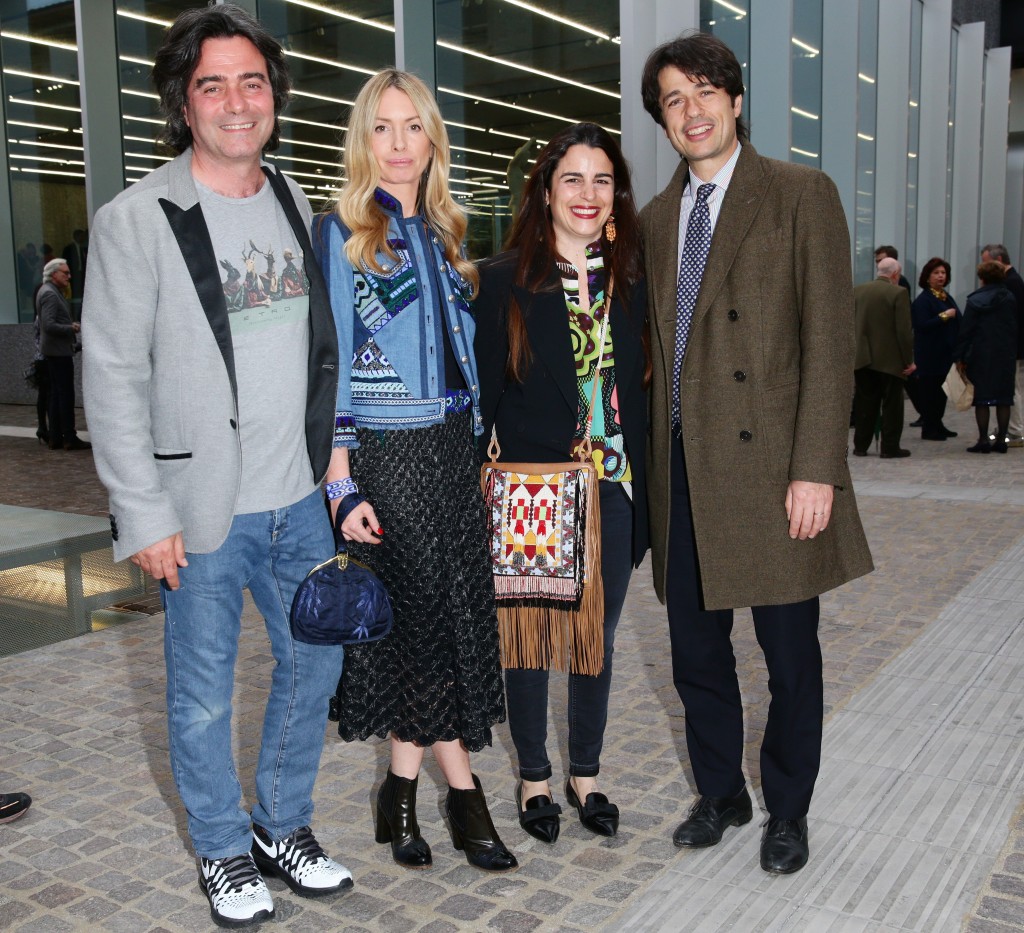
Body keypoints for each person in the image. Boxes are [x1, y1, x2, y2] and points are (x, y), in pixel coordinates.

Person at [82, 5, 352, 926]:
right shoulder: (137, 218)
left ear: (273, 94)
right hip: (198, 509)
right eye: (213, 84)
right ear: (182, 102)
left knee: (313, 668)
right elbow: (112, 376)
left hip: (297, 501)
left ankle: (281, 823)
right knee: (201, 694)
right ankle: (223, 850)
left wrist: (332, 467)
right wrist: (141, 512)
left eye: (252, 81)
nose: (237, 101)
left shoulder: (291, 199)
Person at [638, 31, 873, 875]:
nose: (692, 110)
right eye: (673, 98)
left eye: (706, 92)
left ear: (736, 102)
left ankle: (788, 808)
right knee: (696, 655)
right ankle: (721, 791)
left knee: (789, 655)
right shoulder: (657, 218)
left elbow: (829, 341)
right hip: (684, 472)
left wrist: (817, 468)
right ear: (662, 120)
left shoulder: (799, 194)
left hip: (776, 471)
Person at [313, 69, 516, 874]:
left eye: (412, 127)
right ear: (364, 142)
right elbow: (328, 365)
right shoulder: (342, 231)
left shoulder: (441, 233)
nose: (398, 145)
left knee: (442, 626)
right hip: (387, 458)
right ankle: (467, 801)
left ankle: (398, 790)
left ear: (433, 138)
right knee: (433, 625)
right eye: (382, 128)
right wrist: (340, 482)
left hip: (453, 454)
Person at [474, 123, 649, 844]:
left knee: (594, 640)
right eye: (571, 178)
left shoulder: (638, 280)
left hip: (615, 488)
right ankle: (535, 776)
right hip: (535, 488)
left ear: (617, 194)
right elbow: (482, 396)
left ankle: (587, 771)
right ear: (546, 192)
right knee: (529, 638)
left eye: (601, 179)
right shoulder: (502, 280)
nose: (587, 193)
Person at [851, 257, 915, 458]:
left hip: (862, 358)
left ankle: (860, 446)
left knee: (864, 404)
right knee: (892, 406)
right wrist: (909, 360)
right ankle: (889, 447)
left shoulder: (858, 291)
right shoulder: (898, 293)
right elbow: (903, 331)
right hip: (890, 359)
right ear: (896, 274)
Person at [954, 261, 1018, 453]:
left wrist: (959, 356)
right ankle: (1001, 440)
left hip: (980, 354)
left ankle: (983, 439)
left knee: (982, 398)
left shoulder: (974, 300)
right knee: (1004, 397)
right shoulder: (1009, 298)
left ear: (981, 278)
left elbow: (966, 331)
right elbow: (1014, 326)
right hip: (1005, 353)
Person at [37, 259, 89, 452]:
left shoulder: (48, 291)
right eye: (65, 273)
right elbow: (48, 325)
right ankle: (68, 436)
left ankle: (56, 436)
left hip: (55, 351)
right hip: (58, 352)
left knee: (56, 395)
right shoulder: (50, 294)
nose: (69, 276)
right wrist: (71, 328)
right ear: (53, 274)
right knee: (64, 395)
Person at [980, 244, 1024, 447]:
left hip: (1010, 347)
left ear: (997, 261)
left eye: (985, 261)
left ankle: (1014, 430)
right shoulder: (1013, 280)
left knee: (1011, 388)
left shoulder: (1012, 282)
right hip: (1011, 346)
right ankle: (1010, 428)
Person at [911, 257, 960, 441]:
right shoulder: (924, 300)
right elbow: (921, 325)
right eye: (936, 273)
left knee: (941, 393)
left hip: (945, 353)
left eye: (943, 273)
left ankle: (938, 424)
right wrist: (944, 316)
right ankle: (929, 428)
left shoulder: (945, 296)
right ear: (928, 277)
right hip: (930, 354)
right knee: (930, 392)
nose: (940, 276)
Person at [62, 228, 88, 321]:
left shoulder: (84, 249)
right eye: (82, 236)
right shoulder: (69, 248)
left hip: (81, 276)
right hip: (73, 276)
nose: (83, 238)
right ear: (76, 236)